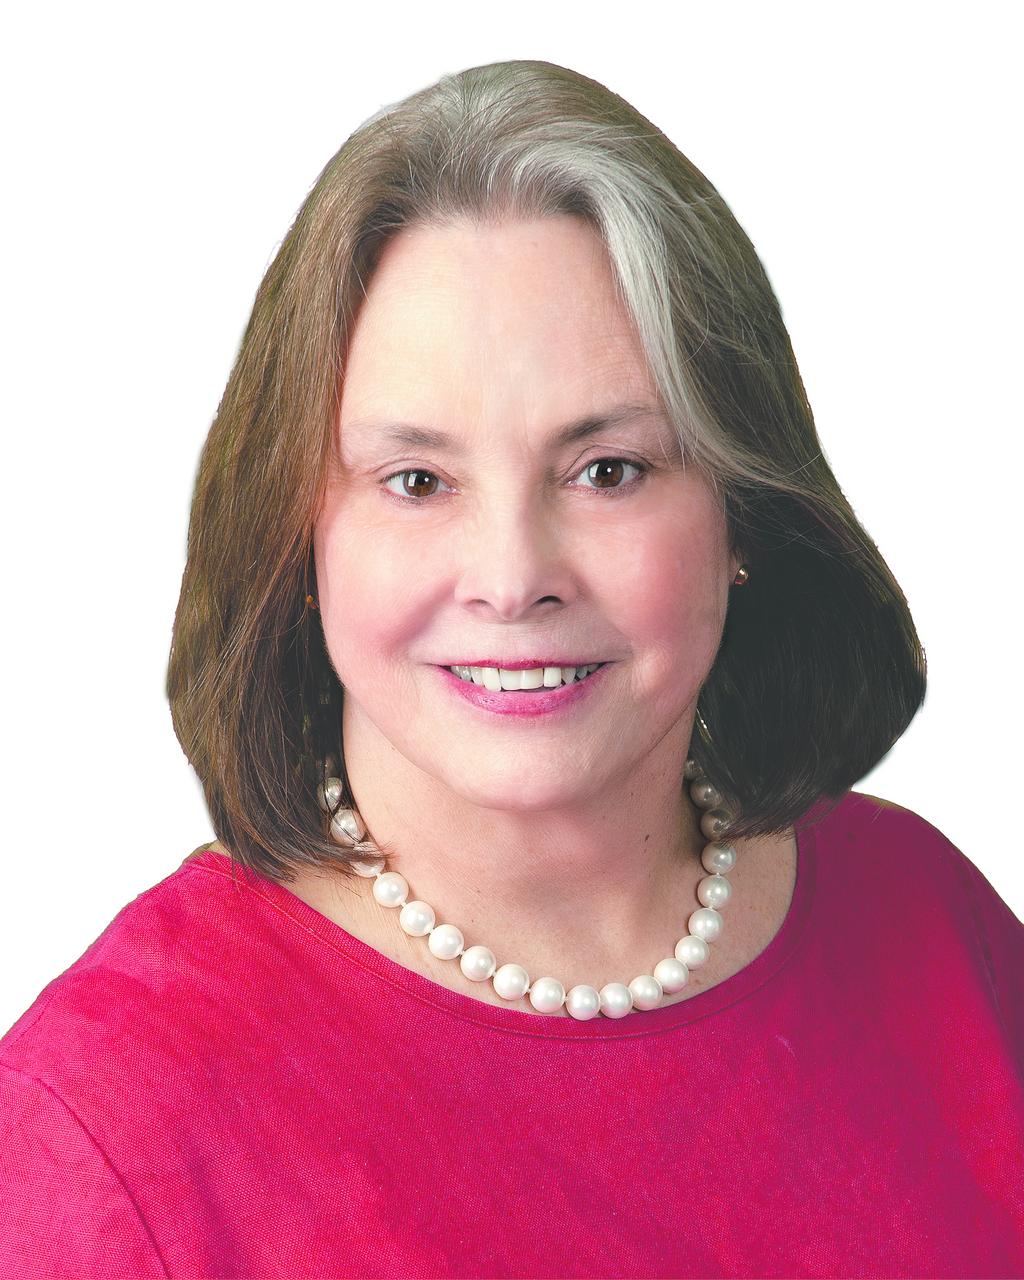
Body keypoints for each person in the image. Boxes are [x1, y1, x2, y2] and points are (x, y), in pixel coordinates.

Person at [1, 57, 1020, 1280]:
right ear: (297, 537)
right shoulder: (101, 1129)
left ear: (740, 514)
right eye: (416, 480)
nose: (511, 575)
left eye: (607, 470)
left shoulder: (931, 922)